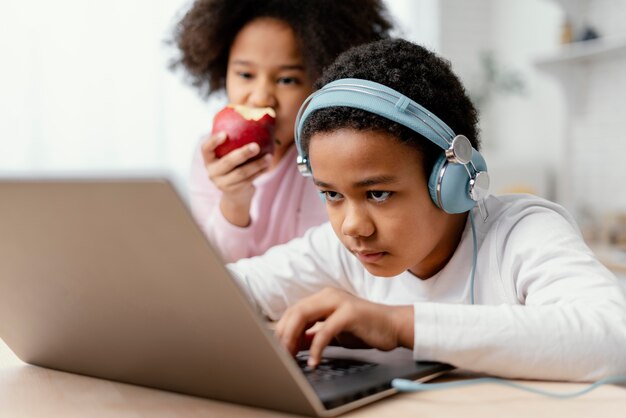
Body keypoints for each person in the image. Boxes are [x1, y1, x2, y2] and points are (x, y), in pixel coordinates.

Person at [228, 38, 626, 381]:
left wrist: (398, 324)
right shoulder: (341, 251)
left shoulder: (522, 234)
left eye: (378, 194)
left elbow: (612, 338)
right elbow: (226, 290)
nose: (353, 227)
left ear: (450, 182)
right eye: (332, 194)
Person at [170, 0, 394, 262]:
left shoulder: (329, 162)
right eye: (245, 75)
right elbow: (215, 271)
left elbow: (322, 266)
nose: (261, 97)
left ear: (321, 80)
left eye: (287, 80)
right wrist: (234, 201)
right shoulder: (210, 155)